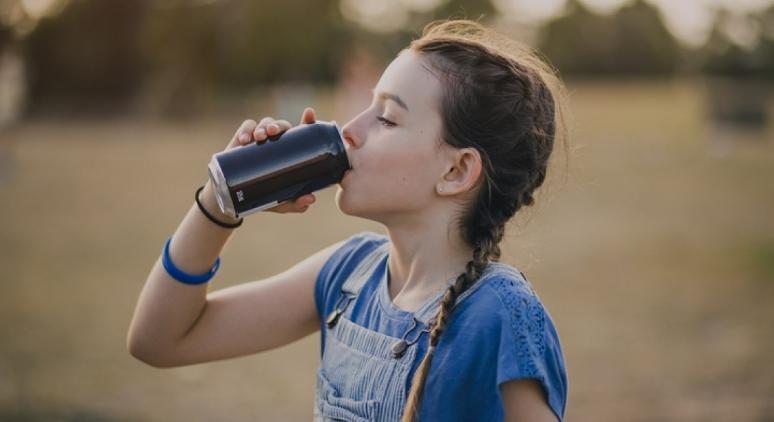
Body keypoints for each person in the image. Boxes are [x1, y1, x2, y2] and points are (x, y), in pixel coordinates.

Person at [127, 19, 569, 422]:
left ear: (455, 172)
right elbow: (160, 340)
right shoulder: (348, 273)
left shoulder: (499, 315)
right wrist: (220, 203)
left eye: (387, 118)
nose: (348, 130)